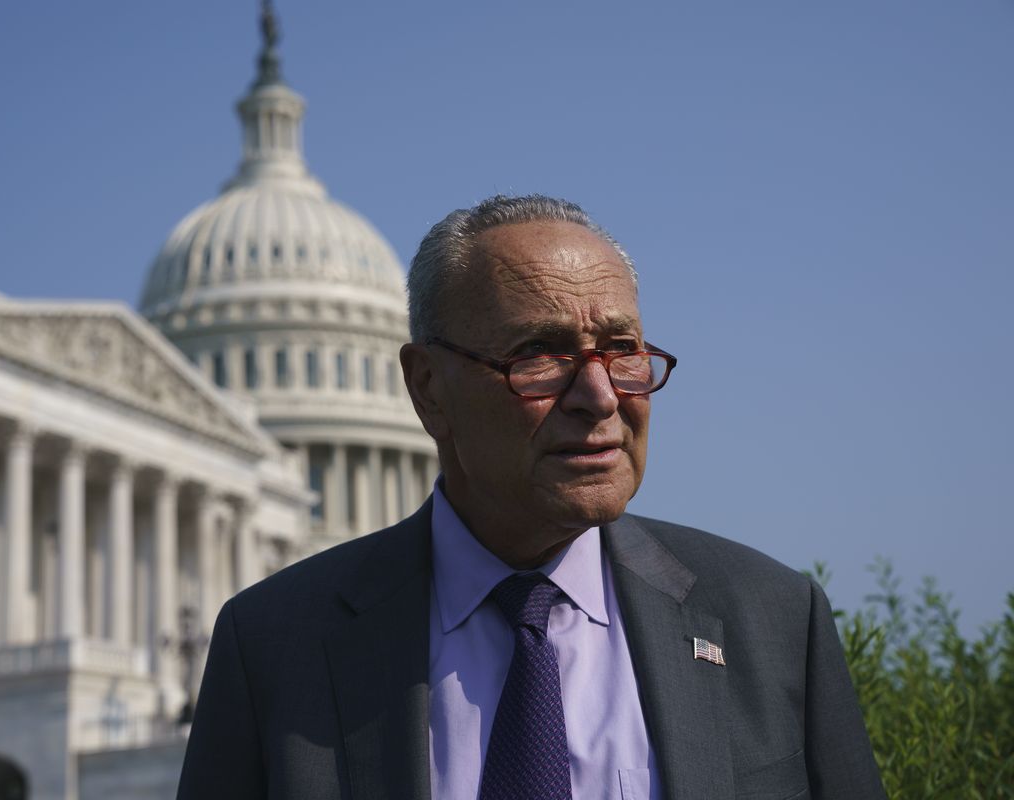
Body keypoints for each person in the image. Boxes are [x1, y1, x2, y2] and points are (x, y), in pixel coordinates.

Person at [177, 194, 886, 799]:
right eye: (541, 356)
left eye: (622, 350)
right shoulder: (273, 648)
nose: (602, 396)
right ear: (428, 388)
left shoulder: (773, 619)